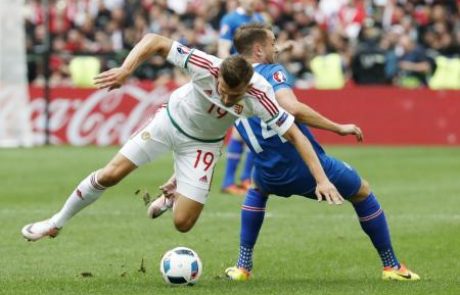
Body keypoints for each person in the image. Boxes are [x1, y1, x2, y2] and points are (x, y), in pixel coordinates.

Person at [21, 31, 344, 242]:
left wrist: (322, 180)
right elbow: (153, 40)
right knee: (112, 173)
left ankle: (175, 191)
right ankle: (56, 222)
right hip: (170, 122)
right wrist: (125, 70)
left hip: (203, 146)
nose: (228, 100)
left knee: (183, 224)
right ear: (218, 77)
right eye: (224, 92)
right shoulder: (205, 65)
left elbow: (297, 136)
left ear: (248, 86)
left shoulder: (261, 96)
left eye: (235, 96)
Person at [221, 24, 420, 281]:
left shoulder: (226, 79)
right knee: (363, 192)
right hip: (302, 164)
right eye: (272, 43)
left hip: (265, 168)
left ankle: (242, 267)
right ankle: (392, 266)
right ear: (259, 50)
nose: (277, 48)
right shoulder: (271, 72)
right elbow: (292, 108)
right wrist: (338, 127)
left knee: (257, 191)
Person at [218, 0, 266, 195]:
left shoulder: (260, 19)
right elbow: (222, 49)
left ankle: (243, 179)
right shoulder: (230, 19)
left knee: (251, 129)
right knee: (245, 129)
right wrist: (229, 77)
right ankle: (233, 180)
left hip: (257, 78)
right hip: (240, 80)